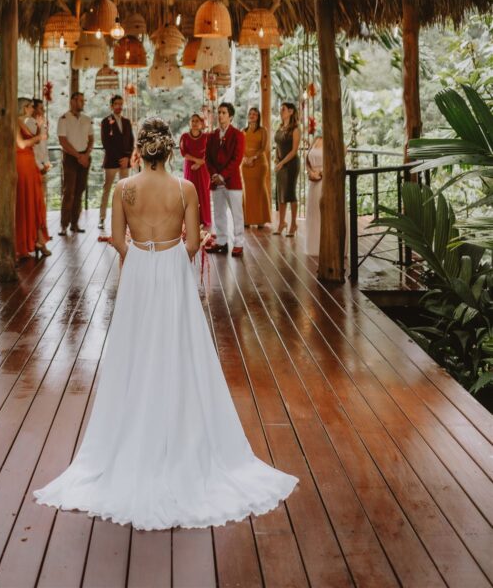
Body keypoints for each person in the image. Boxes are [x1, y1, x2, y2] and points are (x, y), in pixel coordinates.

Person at [33, 115, 298, 529]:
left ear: (140, 149)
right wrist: (173, 255)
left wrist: (142, 256)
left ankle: (133, 428)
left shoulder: (123, 189)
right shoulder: (185, 188)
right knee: (180, 348)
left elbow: (119, 241)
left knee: (134, 350)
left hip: (138, 271)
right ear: (170, 149)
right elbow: (193, 243)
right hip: (173, 274)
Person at [206, 101, 246, 257]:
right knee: (219, 213)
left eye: (223, 113)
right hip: (216, 182)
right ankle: (222, 242)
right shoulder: (212, 136)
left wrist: (223, 175)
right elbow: (207, 158)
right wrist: (215, 175)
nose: (220, 115)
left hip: (232, 181)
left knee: (237, 213)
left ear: (231, 116)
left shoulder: (238, 135)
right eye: (219, 112)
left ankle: (239, 243)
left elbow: (237, 159)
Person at [16, 98, 51, 260]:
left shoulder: (25, 123)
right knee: (26, 203)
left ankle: (38, 240)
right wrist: (39, 137)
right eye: (30, 106)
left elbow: (38, 140)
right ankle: (25, 243)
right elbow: (22, 144)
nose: (32, 109)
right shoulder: (15, 122)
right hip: (22, 164)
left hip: (30, 165)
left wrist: (40, 129)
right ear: (23, 108)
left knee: (36, 203)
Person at [57, 91, 93, 236]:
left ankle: (75, 224)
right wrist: (78, 156)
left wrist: (86, 155)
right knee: (69, 192)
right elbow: (62, 141)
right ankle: (63, 225)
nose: (83, 103)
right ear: (72, 101)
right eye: (80, 101)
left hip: (84, 157)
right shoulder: (63, 118)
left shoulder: (87, 118)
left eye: (83, 101)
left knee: (79, 191)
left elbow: (91, 139)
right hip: (71, 158)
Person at [98, 94, 134, 231]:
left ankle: (126, 218)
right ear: (112, 106)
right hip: (111, 161)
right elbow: (106, 143)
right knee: (107, 189)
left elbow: (131, 141)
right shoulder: (105, 121)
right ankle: (102, 218)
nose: (119, 106)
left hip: (126, 162)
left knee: (126, 191)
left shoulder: (126, 122)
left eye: (121, 104)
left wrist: (127, 157)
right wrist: (120, 158)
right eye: (116, 104)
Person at [179, 113, 211, 230]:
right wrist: (195, 160)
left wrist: (200, 163)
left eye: (197, 121)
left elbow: (209, 153)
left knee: (203, 191)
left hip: (203, 168)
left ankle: (204, 219)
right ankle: (190, 219)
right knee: (190, 192)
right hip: (190, 168)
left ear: (201, 123)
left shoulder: (206, 137)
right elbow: (183, 153)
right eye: (192, 121)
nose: (195, 123)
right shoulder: (185, 137)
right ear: (190, 123)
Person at [274, 102, 301, 237]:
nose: (281, 111)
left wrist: (282, 163)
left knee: (290, 193)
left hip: (291, 164)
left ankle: (294, 223)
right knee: (280, 194)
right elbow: (278, 146)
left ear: (291, 111)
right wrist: (276, 159)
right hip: (280, 163)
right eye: (280, 109)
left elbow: (294, 151)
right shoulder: (280, 128)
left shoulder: (295, 129)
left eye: (283, 109)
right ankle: (281, 223)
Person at [241, 106, 269, 227]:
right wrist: (245, 158)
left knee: (259, 189)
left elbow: (263, 147)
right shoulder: (243, 131)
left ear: (258, 117)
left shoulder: (263, 131)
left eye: (255, 114)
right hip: (245, 164)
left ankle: (260, 220)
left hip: (259, 163)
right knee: (247, 191)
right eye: (250, 113)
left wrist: (253, 157)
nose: (252, 115)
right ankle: (247, 220)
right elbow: (240, 147)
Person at [305, 131, 323, 254]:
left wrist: (321, 173)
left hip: (325, 179)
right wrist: (310, 172)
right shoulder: (317, 138)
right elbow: (307, 160)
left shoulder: (336, 141)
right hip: (313, 179)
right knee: (313, 212)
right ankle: (314, 245)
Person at [30, 98, 52, 176]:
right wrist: (39, 127)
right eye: (41, 108)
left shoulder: (41, 121)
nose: (44, 111)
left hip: (43, 161)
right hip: (35, 162)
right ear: (34, 109)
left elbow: (46, 138)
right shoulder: (29, 122)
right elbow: (36, 142)